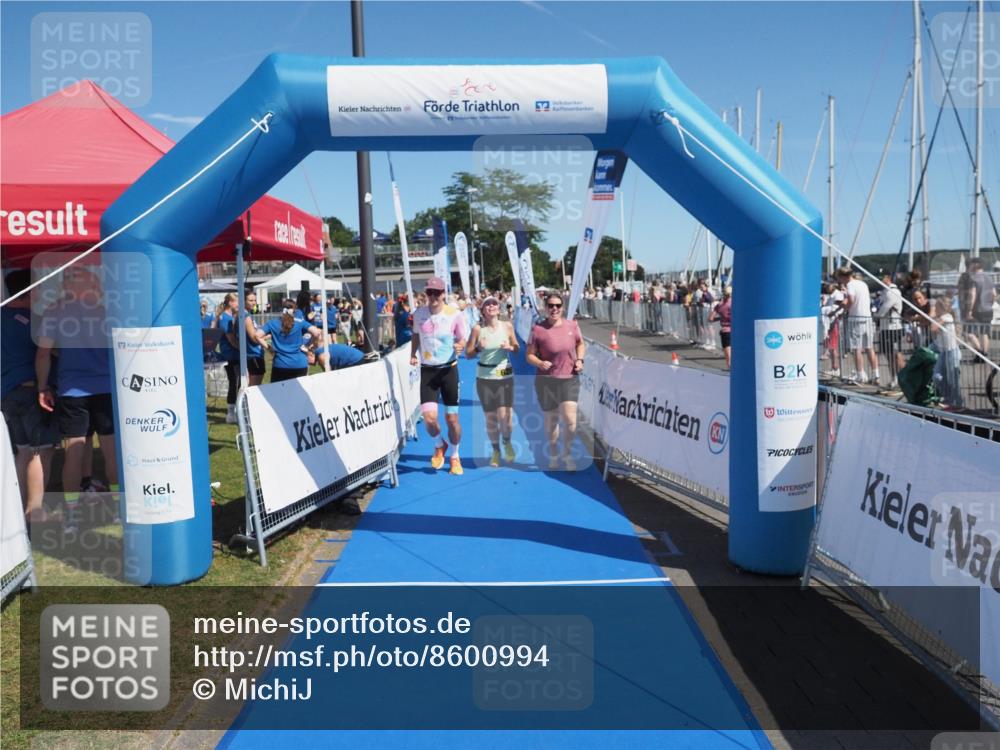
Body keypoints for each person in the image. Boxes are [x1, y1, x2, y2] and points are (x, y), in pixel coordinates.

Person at [35, 265, 118, 534]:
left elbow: (43, 353)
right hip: (105, 388)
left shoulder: (55, 312)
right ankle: (120, 510)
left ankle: (71, 515)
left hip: (72, 390)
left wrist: (42, 387)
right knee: (110, 450)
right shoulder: (106, 311)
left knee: (74, 452)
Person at [2, 269, 61, 523]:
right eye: (36, 287)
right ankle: (35, 511)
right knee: (41, 451)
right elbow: (49, 351)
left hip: (8, 393)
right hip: (33, 392)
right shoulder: (34, 321)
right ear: (28, 291)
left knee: (23, 452)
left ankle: (18, 511)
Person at [410, 277, 468, 475]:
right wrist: (412, 354)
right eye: (430, 292)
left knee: (452, 419)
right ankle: (439, 444)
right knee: (429, 418)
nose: (433, 296)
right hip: (428, 371)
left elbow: (463, 338)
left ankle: (455, 455)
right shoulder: (419, 314)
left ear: (444, 294)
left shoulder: (454, 314)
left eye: (437, 292)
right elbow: (416, 334)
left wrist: (460, 345)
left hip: (448, 370)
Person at [526, 292, 585, 470]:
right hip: (547, 380)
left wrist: (580, 360)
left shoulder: (572, 325)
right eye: (551, 305)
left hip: (569, 378)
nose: (554, 309)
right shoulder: (537, 329)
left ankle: (567, 455)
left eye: (558, 305)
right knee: (551, 421)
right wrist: (539, 362)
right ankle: (553, 454)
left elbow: (580, 344)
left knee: (571, 420)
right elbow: (529, 355)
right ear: (545, 308)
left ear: (563, 307)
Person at [466, 296, 518, 467]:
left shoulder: (507, 326)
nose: (491, 306)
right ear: (482, 310)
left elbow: (517, 348)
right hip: (485, 377)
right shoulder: (477, 329)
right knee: (490, 418)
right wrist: (478, 348)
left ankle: (507, 442)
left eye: (494, 303)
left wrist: (510, 347)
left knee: (505, 416)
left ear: (499, 307)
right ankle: (496, 451)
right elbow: (468, 354)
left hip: (504, 376)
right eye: (487, 304)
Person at [836, 267, 879, 385]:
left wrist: (844, 307)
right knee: (869, 347)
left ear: (843, 276)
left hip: (855, 318)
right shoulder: (863, 284)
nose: (840, 281)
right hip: (867, 317)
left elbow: (850, 300)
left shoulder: (850, 285)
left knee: (857, 349)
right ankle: (876, 374)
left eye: (839, 278)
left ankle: (860, 374)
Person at [229, 291, 267, 394]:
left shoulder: (241, 314)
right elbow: (254, 337)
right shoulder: (245, 316)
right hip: (254, 354)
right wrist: (268, 336)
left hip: (251, 354)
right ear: (244, 301)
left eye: (255, 300)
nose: (253, 303)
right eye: (250, 300)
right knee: (254, 389)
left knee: (250, 387)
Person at [875, 274, 905, 388]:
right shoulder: (885, 291)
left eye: (882, 277)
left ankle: (902, 379)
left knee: (896, 355)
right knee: (889, 355)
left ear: (888, 278)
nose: (880, 280)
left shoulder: (893, 291)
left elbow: (884, 309)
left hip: (893, 327)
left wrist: (876, 315)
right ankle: (894, 378)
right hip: (885, 327)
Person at [214, 293, 240, 423]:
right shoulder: (225, 318)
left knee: (238, 383)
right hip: (230, 355)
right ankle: (231, 413)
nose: (238, 304)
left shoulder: (232, 316)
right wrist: (243, 349)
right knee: (234, 382)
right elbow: (231, 339)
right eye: (236, 301)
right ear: (230, 302)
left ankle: (236, 410)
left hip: (235, 354)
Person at [967, 258, 996, 356]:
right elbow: (994, 294)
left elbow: (973, 295)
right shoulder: (989, 278)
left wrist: (969, 309)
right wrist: (990, 303)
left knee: (968, 332)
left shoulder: (973, 279)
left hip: (977, 309)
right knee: (984, 333)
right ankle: (984, 353)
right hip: (988, 309)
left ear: (974, 266)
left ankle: (979, 351)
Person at [709, 287, 732, 369]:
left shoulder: (719, 305)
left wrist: (720, 318)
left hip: (725, 331)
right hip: (737, 331)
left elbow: (710, 319)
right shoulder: (736, 304)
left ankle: (731, 371)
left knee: (729, 358)